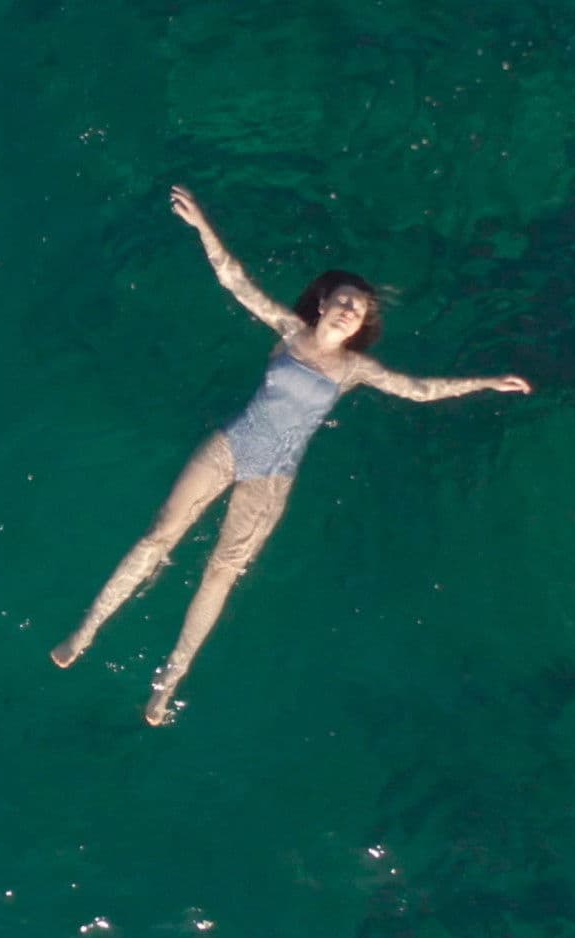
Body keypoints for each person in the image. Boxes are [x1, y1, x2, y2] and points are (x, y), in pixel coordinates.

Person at [50, 185, 532, 726]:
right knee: (159, 535)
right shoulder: (290, 331)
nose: (350, 311)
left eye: (360, 309)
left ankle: (167, 684)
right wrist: (202, 226)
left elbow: (419, 390)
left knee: (219, 576)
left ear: (362, 324)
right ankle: (86, 629)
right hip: (230, 445)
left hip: (271, 477)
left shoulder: (356, 369)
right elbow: (235, 280)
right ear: (324, 302)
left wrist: (488, 382)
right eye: (344, 300)